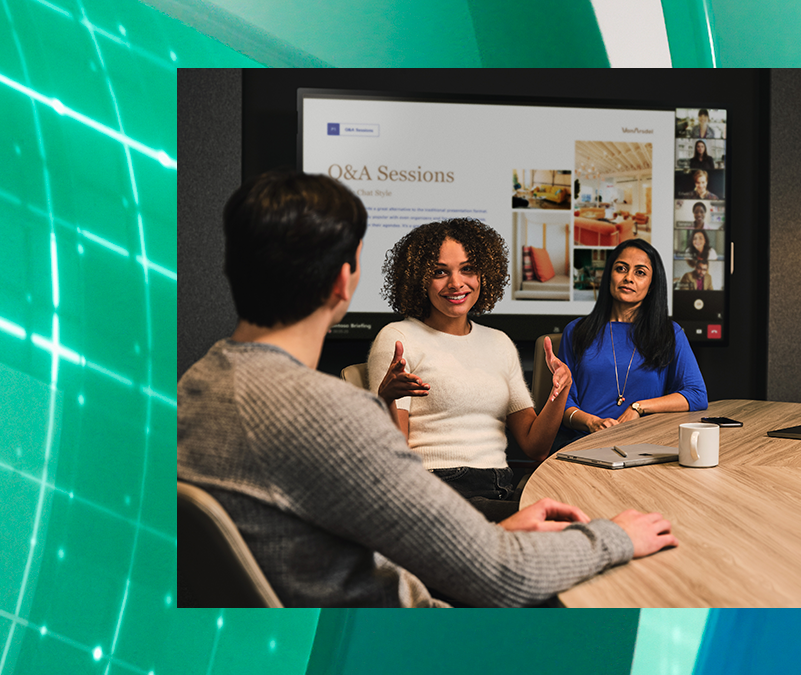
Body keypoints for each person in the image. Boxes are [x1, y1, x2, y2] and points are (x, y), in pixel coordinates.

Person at [178, 170, 677, 608]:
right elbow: (501, 576)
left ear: (230, 269)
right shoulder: (333, 415)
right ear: (343, 281)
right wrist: (615, 536)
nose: (455, 282)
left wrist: (487, 536)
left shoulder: (190, 390)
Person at [368, 218, 569, 522]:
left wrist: (561, 391)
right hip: (435, 491)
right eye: (439, 272)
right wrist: (386, 400)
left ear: (484, 274)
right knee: (563, 522)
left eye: (468, 269)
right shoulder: (398, 338)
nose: (456, 283)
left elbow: (535, 447)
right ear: (419, 279)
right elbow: (394, 460)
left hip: (499, 489)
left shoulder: (499, 342)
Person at [558, 239, 708, 440]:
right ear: (609, 275)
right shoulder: (576, 331)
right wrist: (591, 422)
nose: (628, 278)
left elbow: (697, 395)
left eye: (640, 272)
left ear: (652, 285)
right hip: (583, 442)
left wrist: (639, 407)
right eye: (621, 269)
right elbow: (563, 403)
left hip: (643, 444)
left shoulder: (669, 333)